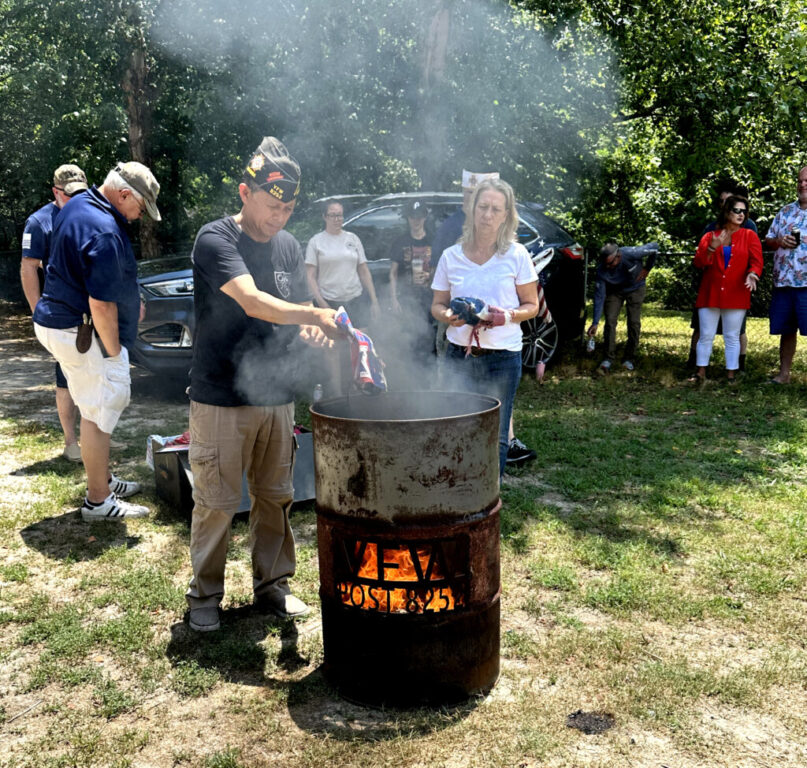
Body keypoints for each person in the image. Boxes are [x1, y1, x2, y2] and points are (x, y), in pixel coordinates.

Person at [186, 137, 337, 633]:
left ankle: (272, 585)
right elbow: (252, 301)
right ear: (244, 192)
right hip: (221, 395)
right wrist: (314, 312)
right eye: (273, 206)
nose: (281, 218)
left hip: (276, 396)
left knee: (275, 496)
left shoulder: (290, 246)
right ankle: (204, 595)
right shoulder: (216, 241)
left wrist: (309, 328)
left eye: (290, 208)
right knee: (216, 502)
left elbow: (287, 315)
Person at [32, 162, 160, 520]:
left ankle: (101, 477)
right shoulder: (104, 229)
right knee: (100, 408)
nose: (139, 217)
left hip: (60, 322)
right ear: (123, 195)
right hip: (79, 330)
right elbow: (100, 303)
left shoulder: (80, 203)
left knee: (95, 404)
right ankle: (98, 501)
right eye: (140, 207)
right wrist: (115, 351)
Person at [431, 178, 539, 477]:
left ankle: (488, 503)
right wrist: (448, 316)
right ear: (471, 209)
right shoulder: (451, 256)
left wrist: (505, 316)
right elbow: (437, 304)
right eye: (483, 207)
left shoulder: (516, 255)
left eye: (496, 209)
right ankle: (458, 493)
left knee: (496, 434)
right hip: (459, 356)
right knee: (456, 428)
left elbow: (532, 306)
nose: (488, 215)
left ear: (506, 214)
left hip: (502, 358)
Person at [21, 165, 88, 461]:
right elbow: (28, 268)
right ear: (55, 192)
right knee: (66, 379)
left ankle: (96, 437)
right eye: (66, 194)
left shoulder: (90, 213)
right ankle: (71, 442)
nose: (73, 199)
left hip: (91, 312)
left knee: (94, 378)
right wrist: (38, 312)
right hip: (61, 317)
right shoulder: (39, 222)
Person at [687, 179, 759, 372]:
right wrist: (712, 247)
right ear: (727, 212)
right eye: (737, 210)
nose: (741, 214)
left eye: (744, 211)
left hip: (736, 293)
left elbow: (756, 261)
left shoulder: (749, 235)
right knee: (706, 335)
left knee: (732, 336)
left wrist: (752, 274)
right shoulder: (709, 236)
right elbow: (699, 263)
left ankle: (731, 374)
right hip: (710, 292)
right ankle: (700, 371)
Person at [305, 199, 380, 329]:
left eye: (339, 215)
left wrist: (374, 301)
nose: (337, 219)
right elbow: (310, 276)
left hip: (356, 299)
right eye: (333, 215)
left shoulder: (353, 239)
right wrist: (322, 303)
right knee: (334, 345)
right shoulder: (316, 242)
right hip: (330, 301)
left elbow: (364, 271)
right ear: (324, 217)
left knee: (360, 341)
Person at [764, 166, 807, 384]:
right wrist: (780, 241)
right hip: (784, 282)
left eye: (806, 181)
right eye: (800, 181)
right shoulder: (785, 211)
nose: (802, 184)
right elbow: (768, 240)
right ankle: (784, 374)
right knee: (787, 330)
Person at [587, 241, 658, 372]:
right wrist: (595, 322)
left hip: (636, 288)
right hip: (615, 291)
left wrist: (648, 268)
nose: (607, 267)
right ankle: (608, 358)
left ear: (618, 256)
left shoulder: (632, 253)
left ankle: (629, 358)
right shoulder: (602, 270)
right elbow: (599, 296)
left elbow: (655, 247)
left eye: (610, 263)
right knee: (610, 321)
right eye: (605, 264)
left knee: (634, 322)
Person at [388, 199, 435, 371]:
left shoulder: (433, 239)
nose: (416, 220)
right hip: (406, 299)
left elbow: (441, 270)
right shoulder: (400, 241)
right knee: (408, 339)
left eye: (420, 216)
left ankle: (427, 378)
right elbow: (393, 273)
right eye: (413, 217)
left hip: (428, 299)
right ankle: (410, 377)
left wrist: (430, 276)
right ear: (408, 218)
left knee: (428, 338)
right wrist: (393, 300)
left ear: (425, 217)